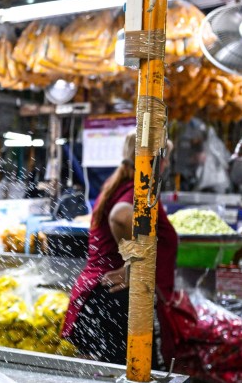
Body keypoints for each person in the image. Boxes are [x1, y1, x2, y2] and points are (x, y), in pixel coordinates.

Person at [62, 133, 178, 366]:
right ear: (155, 160)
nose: (166, 165)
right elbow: (120, 216)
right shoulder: (138, 188)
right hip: (119, 300)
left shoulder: (119, 183)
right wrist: (132, 264)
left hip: (100, 296)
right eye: (165, 158)